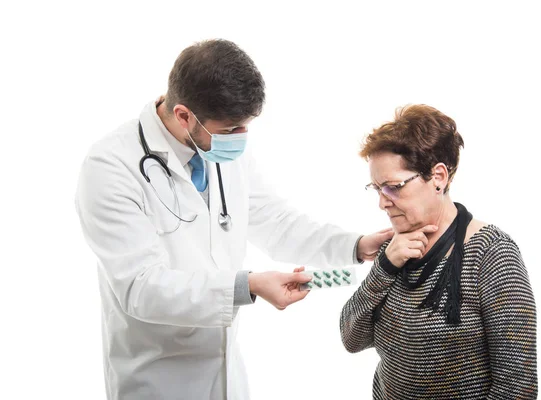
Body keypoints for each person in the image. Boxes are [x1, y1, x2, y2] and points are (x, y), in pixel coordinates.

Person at [75, 39, 393, 400]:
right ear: (184, 116)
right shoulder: (111, 167)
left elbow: (273, 220)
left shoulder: (217, 143)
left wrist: (354, 246)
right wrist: (249, 286)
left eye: (245, 127)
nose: (240, 140)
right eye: (230, 130)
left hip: (227, 377)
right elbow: (141, 288)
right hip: (158, 380)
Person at [340, 104, 537, 399]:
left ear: (439, 177)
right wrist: (384, 267)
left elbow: (516, 389)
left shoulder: (492, 255)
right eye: (377, 188)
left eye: (393, 187)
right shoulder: (393, 247)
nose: (382, 202)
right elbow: (352, 338)